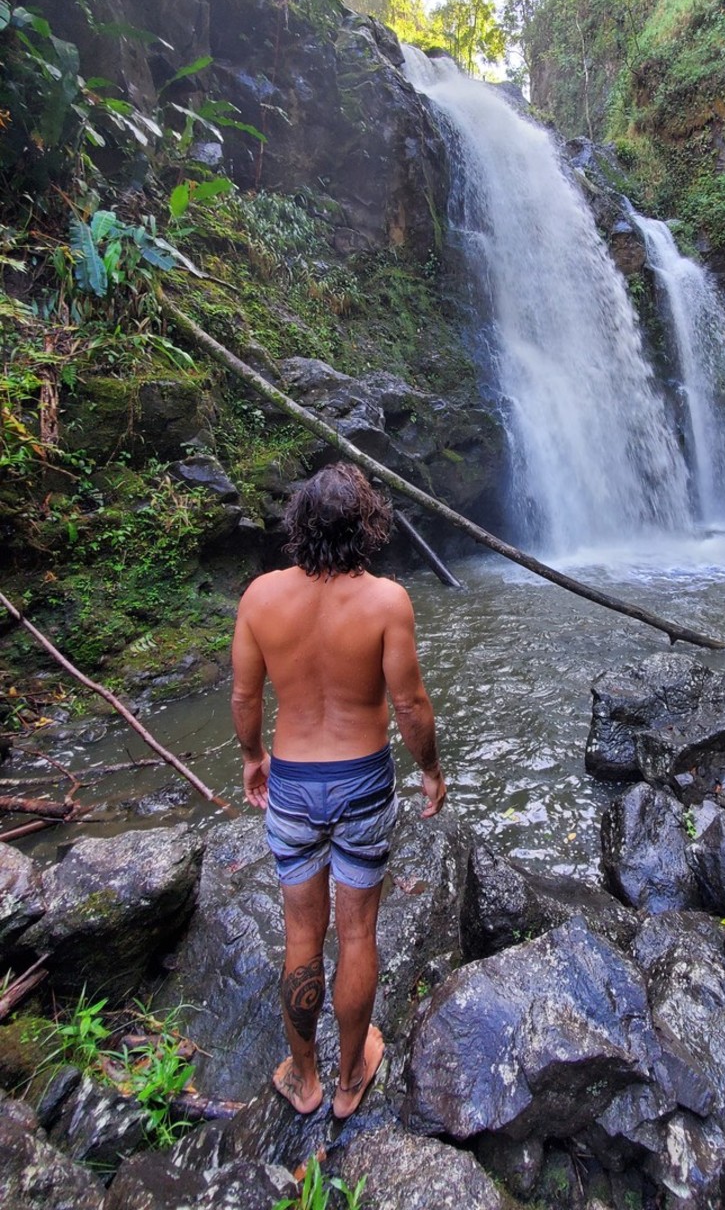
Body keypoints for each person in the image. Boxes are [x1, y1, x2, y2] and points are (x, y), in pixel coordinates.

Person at [231, 461, 446, 1119]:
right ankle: (351, 1077)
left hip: (293, 783)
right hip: (361, 783)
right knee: (356, 934)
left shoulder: (260, 598)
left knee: (302, 932)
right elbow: (409, 704)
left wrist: (253, 757)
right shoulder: (386, 602)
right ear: (367, 525)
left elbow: (244, 695)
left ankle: (306, 1081)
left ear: (299, 524)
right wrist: (431, 770)